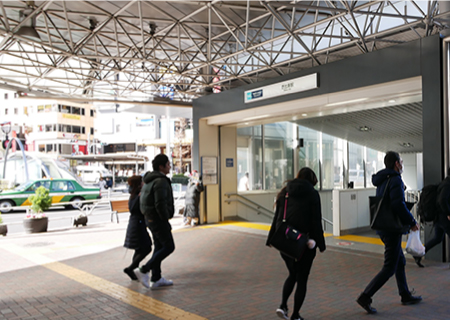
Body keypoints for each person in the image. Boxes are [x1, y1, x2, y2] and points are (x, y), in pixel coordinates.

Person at [357, 151, 422, 314]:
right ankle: (366, 296)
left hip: (383, 226)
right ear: (396, 163)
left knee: (399, 261)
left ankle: (405, 294)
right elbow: (397, 204)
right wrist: (412, 222)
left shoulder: (383, 179)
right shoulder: (395, 179)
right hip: (392, 228)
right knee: (389, 267)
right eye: (400, 161)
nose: (402, 164)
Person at [266, 167, 326, 320]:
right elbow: (315, 221)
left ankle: (283, 305)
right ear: (312, 180)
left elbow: (278, 217)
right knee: (302, 279)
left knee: (292, 274)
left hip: (286, 242)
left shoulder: (285, 192)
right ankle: (295, 315)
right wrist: (320, 244)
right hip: (305, 243)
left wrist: (271, 238)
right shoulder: (312, 194)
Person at [135, 154, 175, 289]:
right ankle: (144, 269)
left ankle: (156, 278)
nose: (170, 166)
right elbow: (160, 203)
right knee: (169, 246)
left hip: (149, 219)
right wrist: (165, 218)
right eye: (168, 164)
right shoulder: (161, 181)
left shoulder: (148, 180)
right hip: (158, 220)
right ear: (161, 166)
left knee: (159, 247)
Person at [414, 173, 450, 267]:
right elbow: (442, 200)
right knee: (438, 238)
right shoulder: (448, 184)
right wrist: (448, 213)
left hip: (438, 217)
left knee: (437, 238)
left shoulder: (444, 182)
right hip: (443, 217)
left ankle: (419, 254)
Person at [123, 175, 152, 281]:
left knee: (139, 249)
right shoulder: (138, 195)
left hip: (135, 224)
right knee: (147, 247)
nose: (143, 184)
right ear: (139, 184)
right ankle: (131, 268)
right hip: (138, 225)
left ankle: (133, 270)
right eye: (142, 182)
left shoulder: (133, 194)